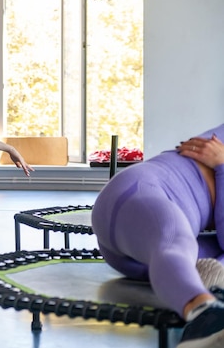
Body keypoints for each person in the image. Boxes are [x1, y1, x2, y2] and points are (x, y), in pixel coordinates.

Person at [91, 124, 224, 348]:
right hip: (141, 195)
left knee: (184, 247)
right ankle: (205, 314)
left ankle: (210, 292)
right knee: (174, 241)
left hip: (136, 255)